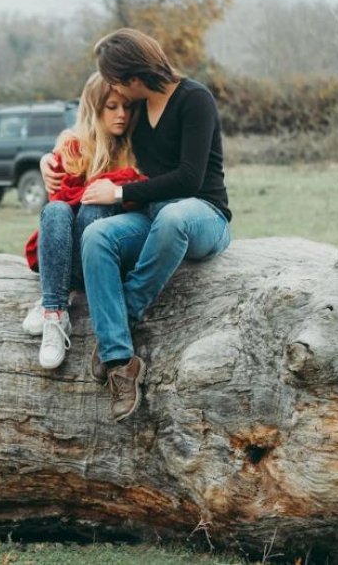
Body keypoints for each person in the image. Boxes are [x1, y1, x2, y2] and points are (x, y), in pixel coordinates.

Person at [44, 28, 232, 421]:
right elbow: (89, 133)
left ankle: (121, 319)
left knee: (172, 216)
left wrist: (116, 194)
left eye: (115, 79)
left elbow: (189, 178)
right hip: (151, 215)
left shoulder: (194, 99)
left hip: (201, 215)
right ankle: (119, 362)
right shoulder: (136, 111)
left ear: (132, 76)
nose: (114, 91)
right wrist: (49, 158)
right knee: (97, 236)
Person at [23, 71, 145, 369]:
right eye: (112, 106)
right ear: (94, 108)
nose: (121, 115)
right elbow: (58, 199)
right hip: (63, 254)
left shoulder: (136, 148)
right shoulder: (74, 146)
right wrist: (46, 161)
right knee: (55, 210)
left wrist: (113, 190)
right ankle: (55, 314)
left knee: (92, 208)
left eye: (127, 107)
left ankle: (53, 298)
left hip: (102, 259)